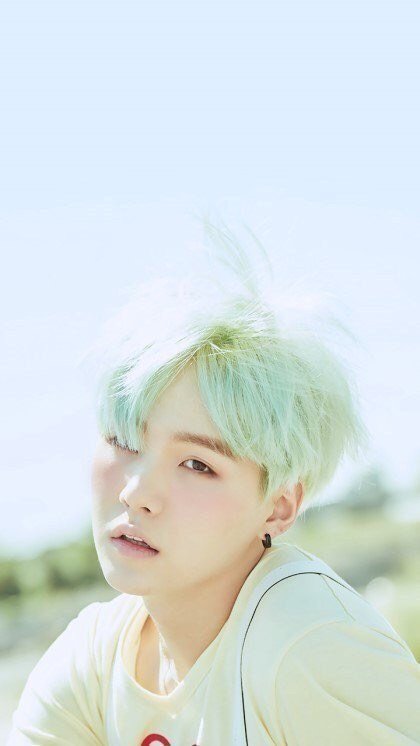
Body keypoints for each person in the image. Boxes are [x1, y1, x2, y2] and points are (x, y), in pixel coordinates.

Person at [7, 219, 420, 745]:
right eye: (124, 440)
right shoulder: (92, 660)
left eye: (197, 464)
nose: (137, 493)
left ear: (278, 506)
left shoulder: (309, 647)